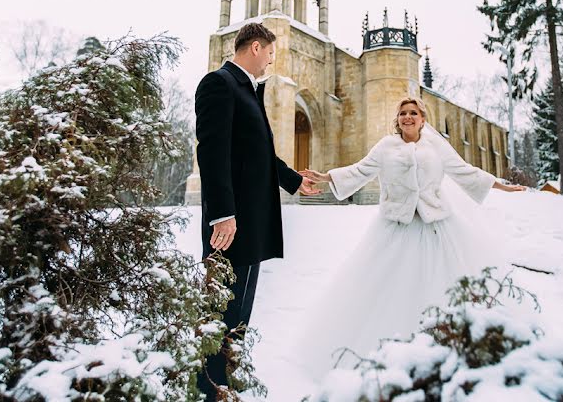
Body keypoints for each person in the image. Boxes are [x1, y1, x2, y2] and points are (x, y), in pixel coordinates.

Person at [298, 96, 525, 377]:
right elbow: (361, 170)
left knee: (443, 287)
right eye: (403, 113)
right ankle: (395, 358)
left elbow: (463, 170)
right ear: (397, 119)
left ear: (423, 119)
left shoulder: (436, 146)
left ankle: (447, 348)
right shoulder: (386, 147)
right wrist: (327, 177)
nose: (408, 117)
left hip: (437, 227)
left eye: (414, 113)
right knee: (392, 289)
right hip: (397, 228)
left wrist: (499, 185)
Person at [194, 22, 319, 400]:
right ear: (253, 47)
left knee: (241, 305)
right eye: (269, 53)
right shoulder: (219, 84)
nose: (269, 61)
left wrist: (293, 181)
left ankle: (227, 373)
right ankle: (210, 383)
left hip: (252, 220)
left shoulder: (250, 90)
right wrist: (222, 214)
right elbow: (211, 152)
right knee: (223, 304)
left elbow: (259, 152)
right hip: (231, 222)